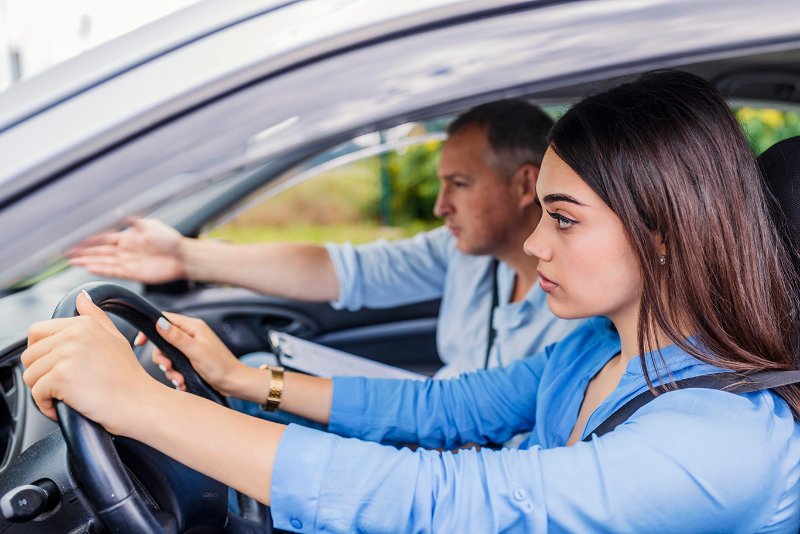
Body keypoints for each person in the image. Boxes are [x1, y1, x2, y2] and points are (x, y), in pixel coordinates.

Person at [23, 70, 800, 533]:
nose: (536, 246)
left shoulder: (722, 441)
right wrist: (234, 383)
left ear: (665, 232)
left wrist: (145, 408)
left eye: (563, 220)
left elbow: (453, 505)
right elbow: (448, 413)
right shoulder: (604, 346)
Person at [66, 100, 584, 380]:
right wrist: (184, 254)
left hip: (465, 457)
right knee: (253, 373)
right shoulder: (463, 253)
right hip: (438, 420)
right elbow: (336, 269)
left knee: (252, 385)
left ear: (524, 184)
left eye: (460, 184)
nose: (439, 205)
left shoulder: (583, 305)